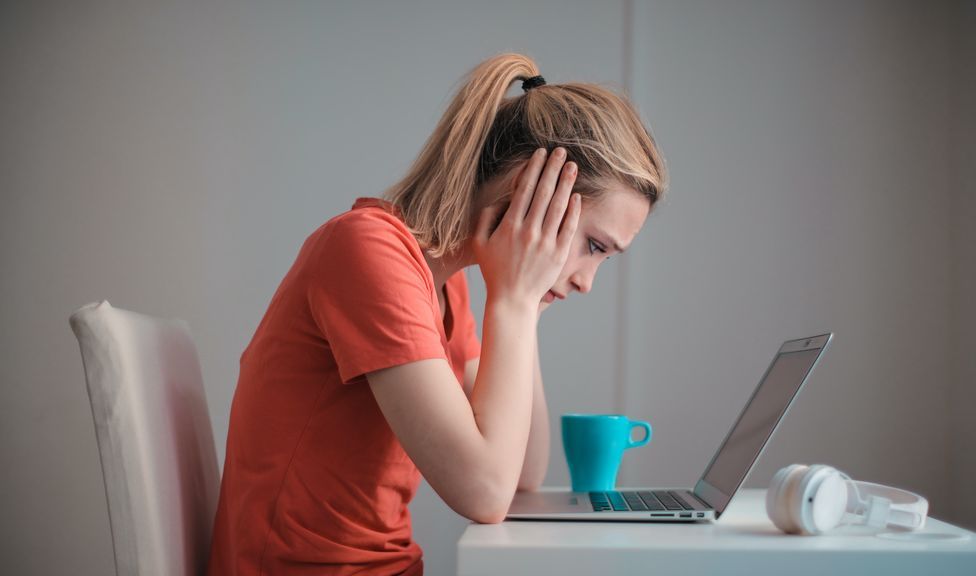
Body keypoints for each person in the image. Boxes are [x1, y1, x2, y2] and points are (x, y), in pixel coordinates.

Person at [207, 52, 667, 576]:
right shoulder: (367, 252)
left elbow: (522, 474)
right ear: (530, 193)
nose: (587, 281)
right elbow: (485, 492)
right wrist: (513, 302)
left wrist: (525, 304)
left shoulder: (446, 289)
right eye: (593, 245)